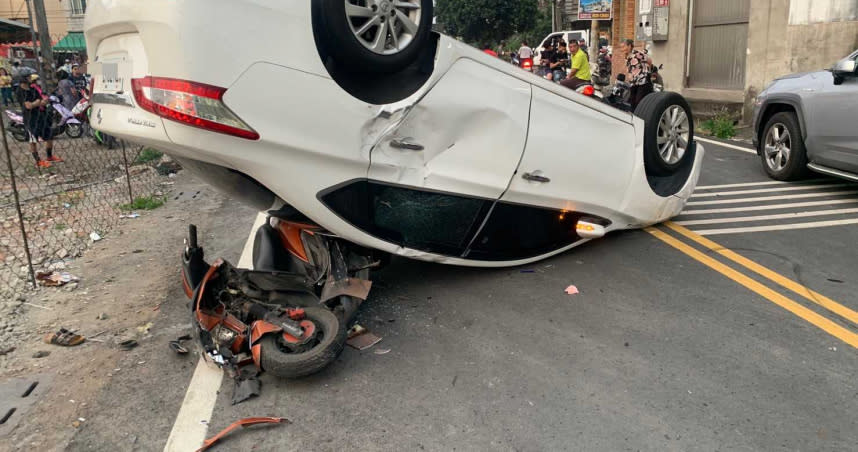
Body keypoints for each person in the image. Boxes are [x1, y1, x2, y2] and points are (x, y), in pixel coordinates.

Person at [16, 74, 61, 168]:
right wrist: (37, 103)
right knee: (33, 140)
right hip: (30, 118)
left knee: (49, 136)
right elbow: (28, 106)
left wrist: (39, 102)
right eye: (28, 78)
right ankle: (38, 161)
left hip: (41, 115)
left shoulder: (33, 89)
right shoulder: (20, 91)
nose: (31, 79)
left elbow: (42, 100)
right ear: (23, 79)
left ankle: (49, 156)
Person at [620, 39, 653, 110]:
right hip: (633, 82)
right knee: (632, 102)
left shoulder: (637, 54)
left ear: (629, 46)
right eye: (621, 47)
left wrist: (647, 72)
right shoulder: (626, 56)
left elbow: (649, 61)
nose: (622, 49)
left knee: (639, 101)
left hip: (642, 81)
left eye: (623, 47)